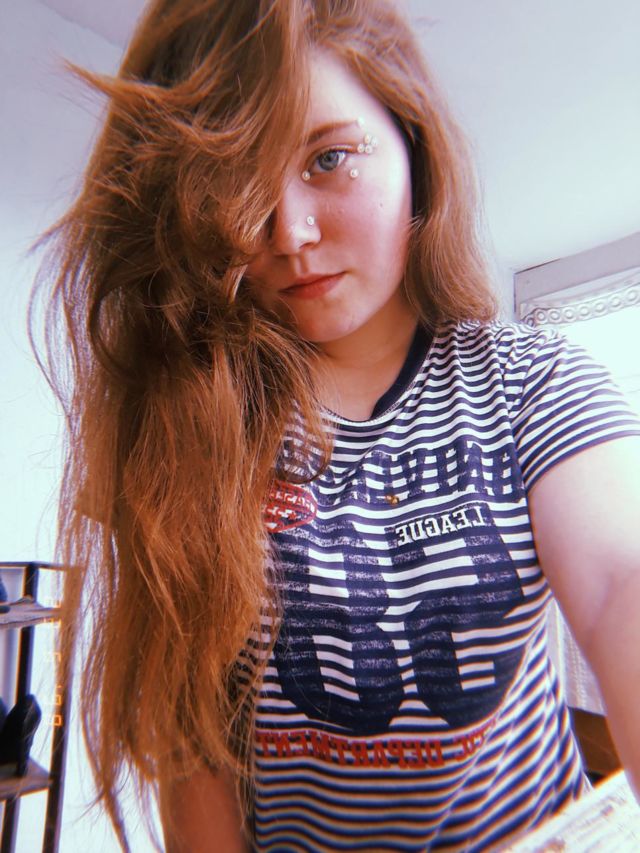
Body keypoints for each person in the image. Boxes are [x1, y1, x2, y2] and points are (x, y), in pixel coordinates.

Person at [33, 0, 640, 851]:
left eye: (328, 158)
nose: (290, 232)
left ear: (412, 145)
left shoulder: (532, 381)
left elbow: (620, 583)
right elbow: (188, 741)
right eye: (236, 182)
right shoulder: (178, 425)